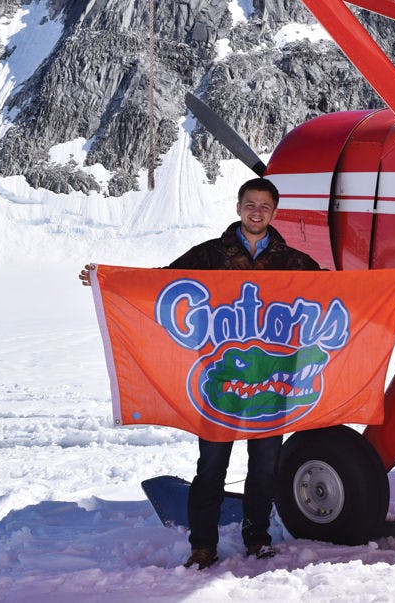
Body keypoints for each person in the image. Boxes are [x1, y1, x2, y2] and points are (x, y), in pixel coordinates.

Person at [79, 177, 319, 570]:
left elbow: (341, 288)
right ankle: (202, 545)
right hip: (220, 382)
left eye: (265, 206)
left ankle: (257, 538)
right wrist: (107, 282)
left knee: (264, 468)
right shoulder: (211, 254)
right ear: (238, 207)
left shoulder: (291, 261)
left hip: (271, 385)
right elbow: (162, 283)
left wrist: (393, 286)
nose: (256, 211)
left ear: (275, 212)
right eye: (250, 204)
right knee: (211, 466)